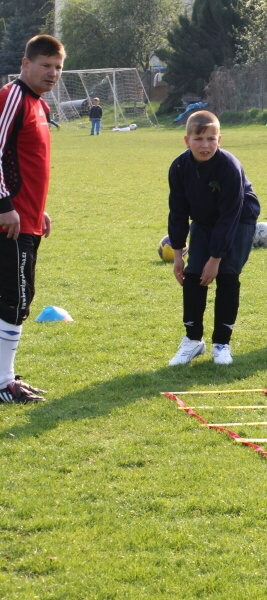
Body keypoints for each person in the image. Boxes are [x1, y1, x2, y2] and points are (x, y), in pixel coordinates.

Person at [0, 34, 65, 404]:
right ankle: (4, 382)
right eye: (45, 65)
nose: (53, 73)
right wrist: (4, 204)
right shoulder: (13, 98)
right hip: (9, 221)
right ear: (26, 64)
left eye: (58, 67)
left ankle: (5, 378)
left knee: (16, 298)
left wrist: (37, 208)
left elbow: (25, 164)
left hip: (26, 217)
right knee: (15, 298)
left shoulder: (40, 106)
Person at [167, 110, 260, 366]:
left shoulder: (229, 166)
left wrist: (216, 259)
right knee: (194, 276)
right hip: (204, 220)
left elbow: (229, 216)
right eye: (198, 139)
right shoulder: (178, 167)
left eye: (211, 138)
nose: (205, 145)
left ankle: (222, 343)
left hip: (239, 220)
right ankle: (193, 340)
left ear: (220, 139)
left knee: (227, 275)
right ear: (187, 141)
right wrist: (177, 255)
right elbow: (177, 211)